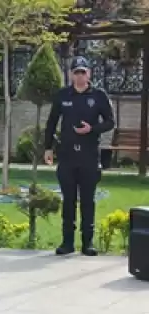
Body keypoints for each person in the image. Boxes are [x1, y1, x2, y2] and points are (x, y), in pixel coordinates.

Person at [44, 56, 115, 257]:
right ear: (71, 74)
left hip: (89, 156)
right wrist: (48, 147)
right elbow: (51, 122)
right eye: (76, 72)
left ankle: (88, 242)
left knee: (87, 200)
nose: (79, 76)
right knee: (68, 200)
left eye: (83, 72)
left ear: (89, 73)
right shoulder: (63, 95)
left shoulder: (99, 96)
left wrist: (92, 129)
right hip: (66, 155)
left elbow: (110, 122)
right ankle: (67, 242)